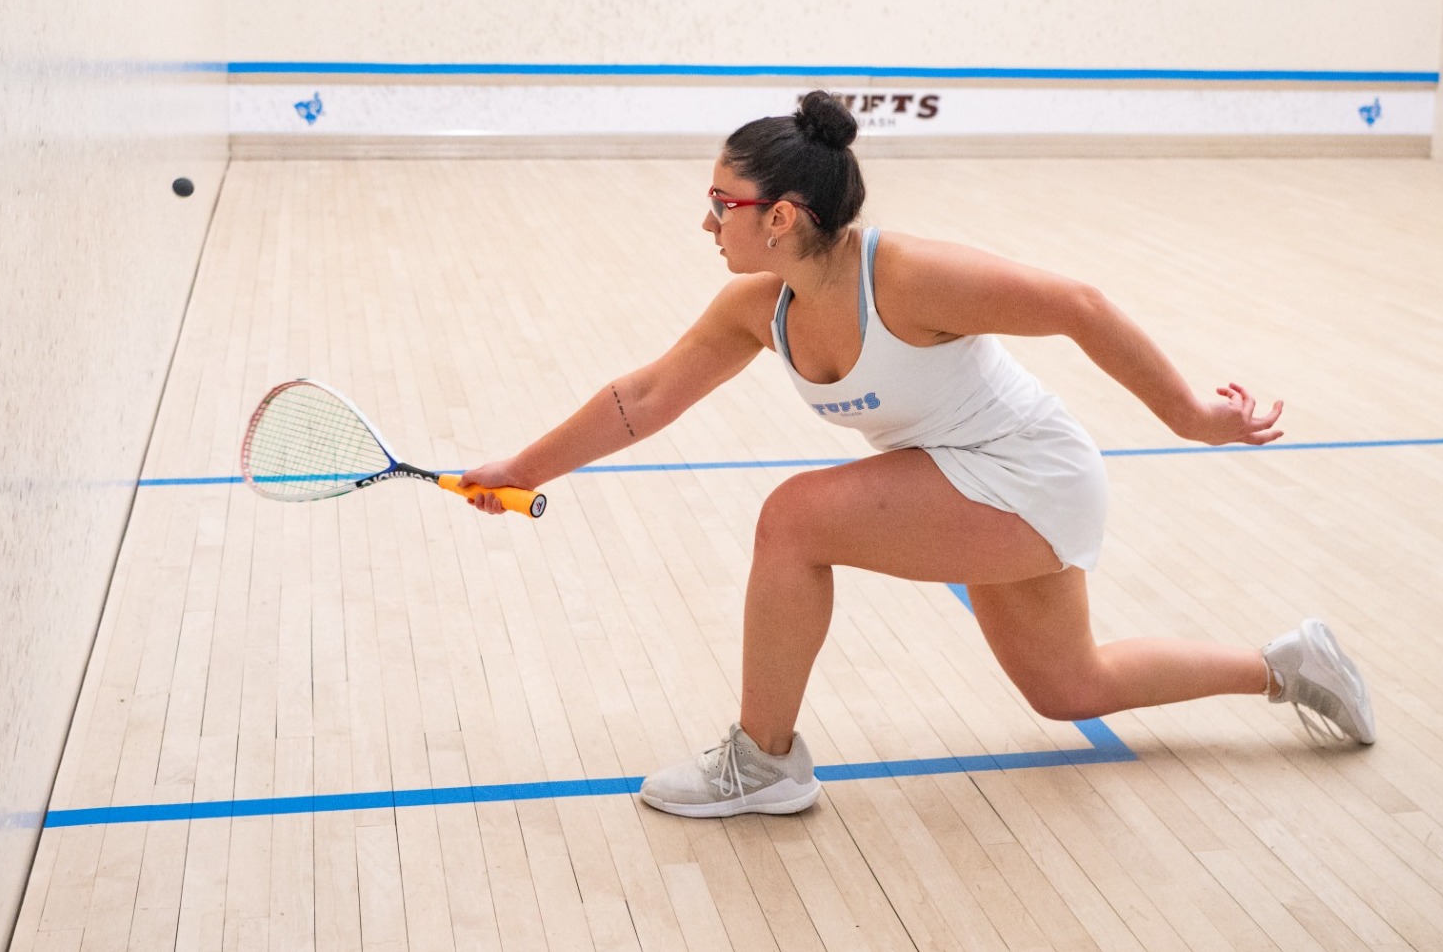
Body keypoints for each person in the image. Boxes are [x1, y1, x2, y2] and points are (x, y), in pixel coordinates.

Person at [457, 91, 1376, 819]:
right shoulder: (759, 306)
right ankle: (1288, 664)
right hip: (965, 478)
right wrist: (524, 468)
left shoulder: (905, 275)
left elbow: (1080, 305)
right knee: (1069, 687)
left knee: (794, 518)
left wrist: (1190, 416)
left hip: (1030, 473)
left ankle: (764, 761)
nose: (707, 224)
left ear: (778, 216)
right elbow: (647, 396)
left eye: (718, 205)